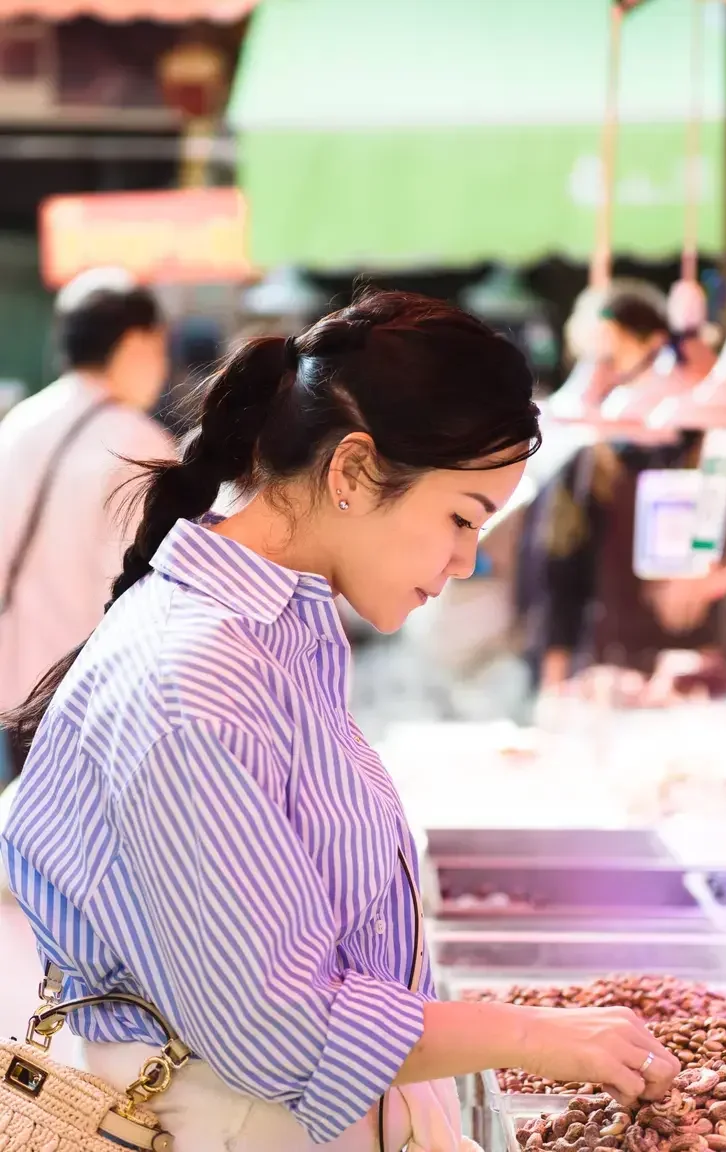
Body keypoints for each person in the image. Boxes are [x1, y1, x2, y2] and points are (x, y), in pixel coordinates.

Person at [1, 291, 678, 1152]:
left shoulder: (282, 625)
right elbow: (283, 1028)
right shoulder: (194, 679)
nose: (465, 560)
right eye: (461, 517)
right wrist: (542, 1038)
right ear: (353, 471)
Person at [518, 282, 726, 692]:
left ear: (658, 346)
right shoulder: (590, 458)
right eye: (592, 360)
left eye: (614, 357)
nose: (604, 376)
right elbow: (556, 578)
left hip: (709, 677)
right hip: (609, 680)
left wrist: (715, 575)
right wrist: (554, 684)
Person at [0, 267, 176, 777]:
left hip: (19, 700)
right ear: (137, 343)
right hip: (98, 706)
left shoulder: (18, 425)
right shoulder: (136, 441)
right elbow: (149, 594)